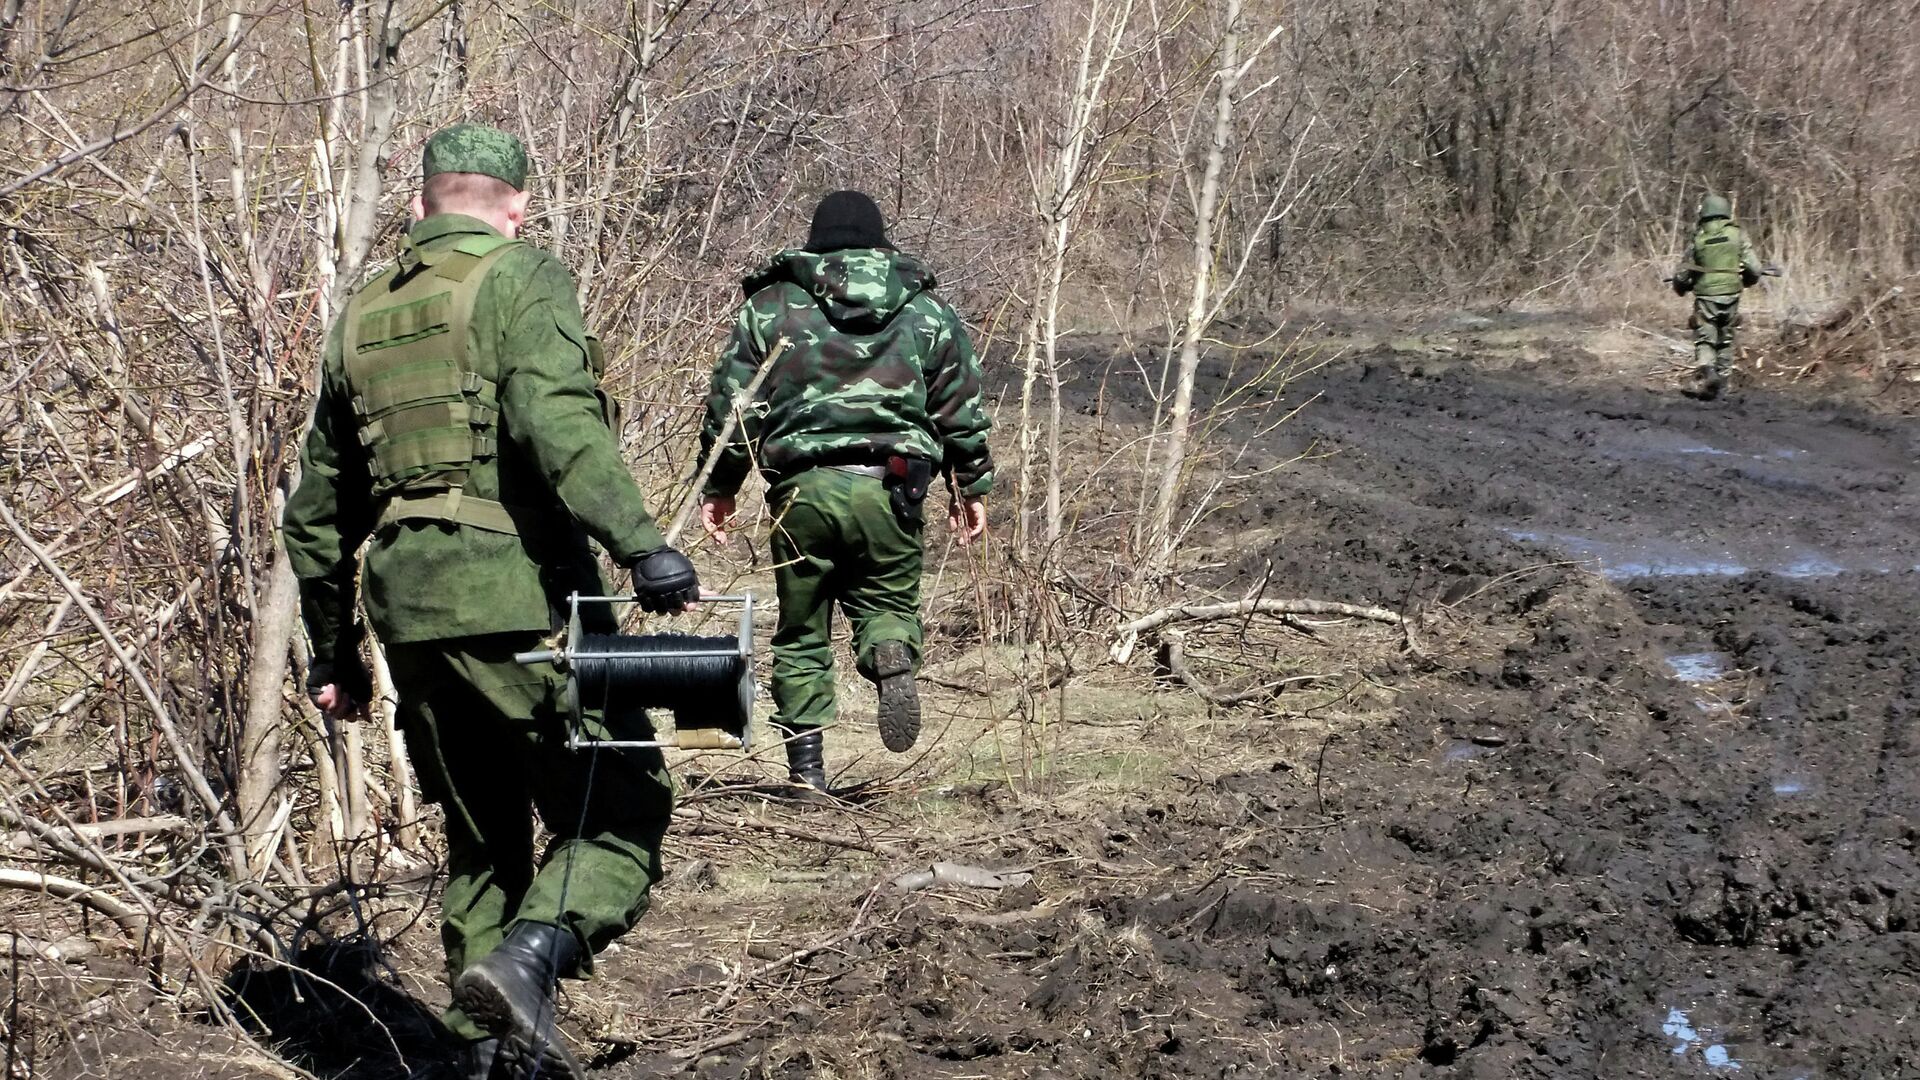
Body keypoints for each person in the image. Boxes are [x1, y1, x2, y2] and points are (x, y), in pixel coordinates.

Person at [281, 123, 701, 1080]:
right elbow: (555, 418)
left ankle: (481, 1062)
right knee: (620, 814)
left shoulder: (360, 318)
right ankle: (526, 964)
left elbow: (314, 515)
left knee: (481, 840)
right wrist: (639, 543)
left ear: (424, 202)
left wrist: (332, 653)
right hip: (522, 602)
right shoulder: (522, 277)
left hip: (409, 611)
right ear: (514, 207)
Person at [696, 190, 993, 792]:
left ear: (815, 243)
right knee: (888, 605)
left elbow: (736, 406)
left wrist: (721, 485)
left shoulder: (771, 308)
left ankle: (807, 774)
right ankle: (890, 652)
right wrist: (970, 485)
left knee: (802, 629)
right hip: (893, 486)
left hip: (802, 492)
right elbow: (961, 406)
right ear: (880, 242)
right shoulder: (928, 313)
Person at [1671, 192, 1766, 399]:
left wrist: (1681, 287)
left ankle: (1707, 372)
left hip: (1706, 297)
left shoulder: (1698, 237)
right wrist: (1746, 282)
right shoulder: (1737, 234)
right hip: (1732, 295)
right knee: (1725, 338)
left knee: (1705, 338)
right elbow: (1755, 269)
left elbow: (1683, 273)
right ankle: (1722, 384)